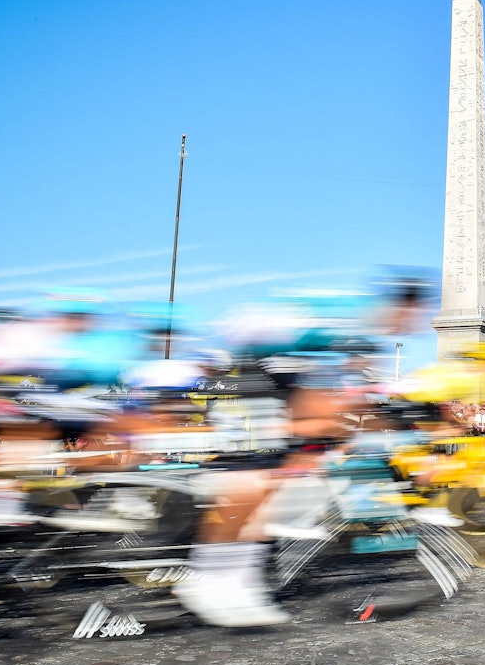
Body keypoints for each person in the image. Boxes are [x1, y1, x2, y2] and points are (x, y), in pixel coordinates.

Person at [172, 268, 437, 627]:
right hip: (246, 361)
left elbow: (352, 395)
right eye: (419, 315)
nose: (418, 326)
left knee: (287, 465)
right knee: (258, 475)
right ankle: (206, 576)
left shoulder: (364, 327)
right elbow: (329, 402)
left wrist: (388, 422)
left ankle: (237, 581)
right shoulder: (353, 319)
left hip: (275, 367)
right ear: (404, 307)